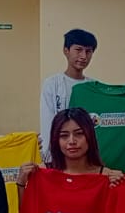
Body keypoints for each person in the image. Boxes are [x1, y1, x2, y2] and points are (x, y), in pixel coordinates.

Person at [38, 28, 97, 159]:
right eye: (78, 50)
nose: (83, 56)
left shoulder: (94, 86)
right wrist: (49, 156)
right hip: (58, 154)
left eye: (88, 51)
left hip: (86, 154)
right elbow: (48, 123)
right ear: (66, 51)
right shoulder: (52, 84)